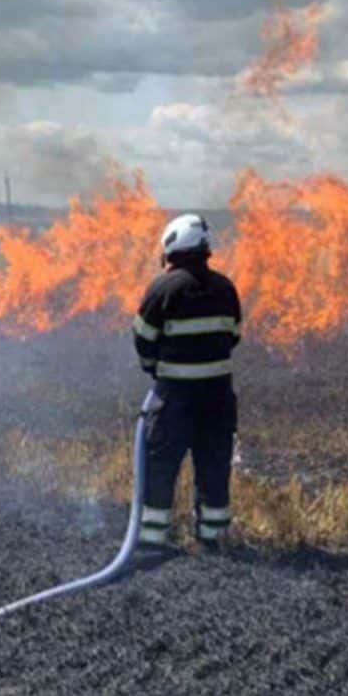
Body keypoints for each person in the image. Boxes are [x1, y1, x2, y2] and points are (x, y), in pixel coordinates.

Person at [131, 213, 241, 550]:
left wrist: (155, 369)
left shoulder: (163, 288)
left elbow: (143, 337)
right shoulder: (226, 288)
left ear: (172, 246)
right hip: (219, 399)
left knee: (161, 464)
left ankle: (152, 539)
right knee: (214, 465)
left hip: (175, 399)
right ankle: (213, 538)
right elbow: (233, 335)